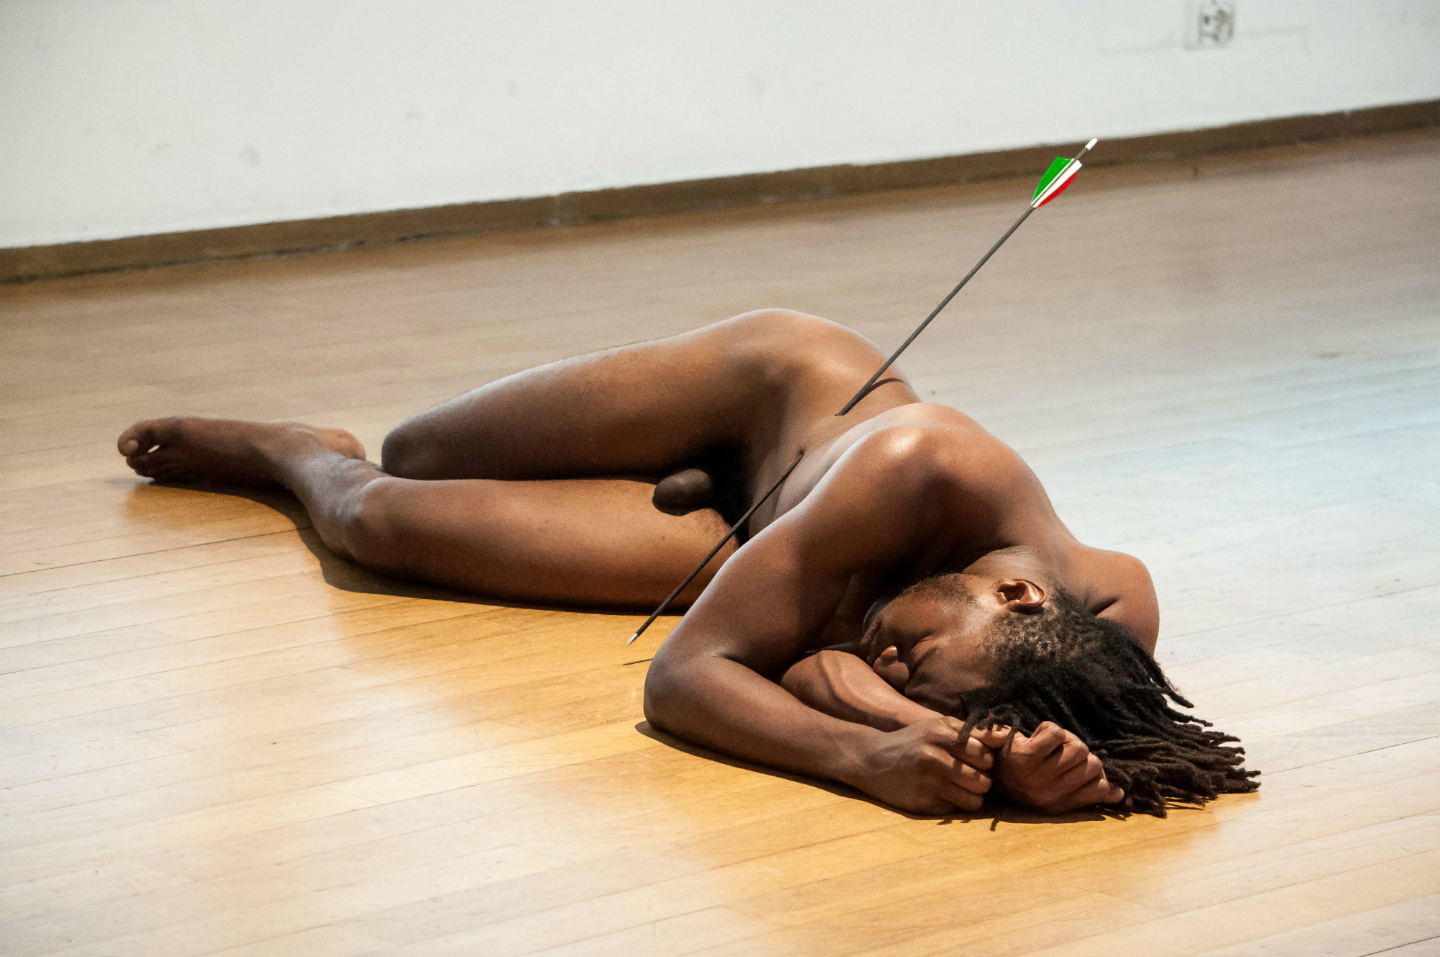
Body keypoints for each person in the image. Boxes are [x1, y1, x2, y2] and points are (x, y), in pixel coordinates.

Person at [117, 309, 1257, 817]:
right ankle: (306, 443)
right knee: (416, 448)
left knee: (379, 520)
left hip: (743, 541)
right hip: (760, 390)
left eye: (910, 683)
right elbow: (685, 675)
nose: (888, 668)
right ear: (1015, 592)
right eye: (914, 656)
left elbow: (1084, 743)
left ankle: (298, 459)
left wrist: (1021, 770)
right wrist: (861, 755)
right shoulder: (911, 466)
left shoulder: (1083, 648)